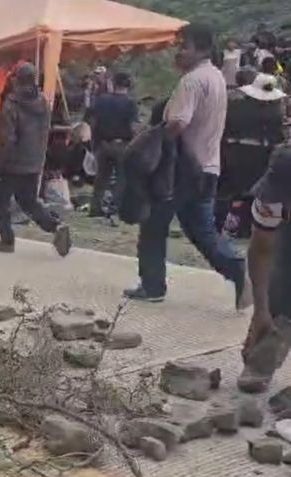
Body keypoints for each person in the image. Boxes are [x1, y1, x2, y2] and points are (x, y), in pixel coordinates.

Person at [124, 23, 249, 308]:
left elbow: (178, 122)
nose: (179, 52)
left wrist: (153, 139)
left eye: (185, 46)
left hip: (180, 170)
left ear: (202, 48)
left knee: (154, 224)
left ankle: (153, 285)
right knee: (201, 231)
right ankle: (238, 270)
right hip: (208, 167)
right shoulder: (216, 77)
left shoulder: (192, 81)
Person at [0, 62, 72, 256]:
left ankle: (6, 241)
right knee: (28, 201)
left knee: (1, 202)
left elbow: (6, 138)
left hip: (12, 163)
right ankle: (54, 226)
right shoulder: (43, 102)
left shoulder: (11, 105)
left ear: (16, 79)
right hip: (34, 160)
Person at [240, 145, 291, 393]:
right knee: (282, 281)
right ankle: (267, 346)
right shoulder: (282, 175)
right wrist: (262, 310)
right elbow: (262, 247)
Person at [218, 72, 287, 237]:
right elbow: (278, 138)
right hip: (260, 155)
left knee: (231, 191)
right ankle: (243, 227)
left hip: (233, 152)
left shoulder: (234, 106)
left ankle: (224, 224)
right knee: (252, 192)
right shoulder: (275, 113)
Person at [86, 71, 139, 217]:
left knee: (101, 178)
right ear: (128, 85)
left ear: (114, 83)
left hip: (103, 144)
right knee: (122, 178)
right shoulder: (130, 103)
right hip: (122, 144)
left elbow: (93, 122)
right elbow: (133, 127)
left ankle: (95, 207)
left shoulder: (101, 100)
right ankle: (113, 208)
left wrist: (95, 141)